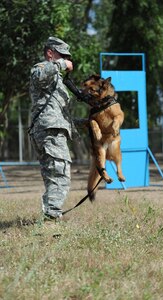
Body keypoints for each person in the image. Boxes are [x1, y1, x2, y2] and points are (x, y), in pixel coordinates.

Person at [29, 36, 86, 221]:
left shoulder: (58, 81)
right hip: (49, 131)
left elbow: (61, 114)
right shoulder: (41, 69)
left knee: (53, 176)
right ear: (50, 53)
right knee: (60, 175)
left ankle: (49, 214)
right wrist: (62, 64)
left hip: (52, 129)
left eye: (67, 57)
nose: (67, 60)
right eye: (62, 55)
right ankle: (52, 216)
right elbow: (38, 75)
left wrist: (85, 122)